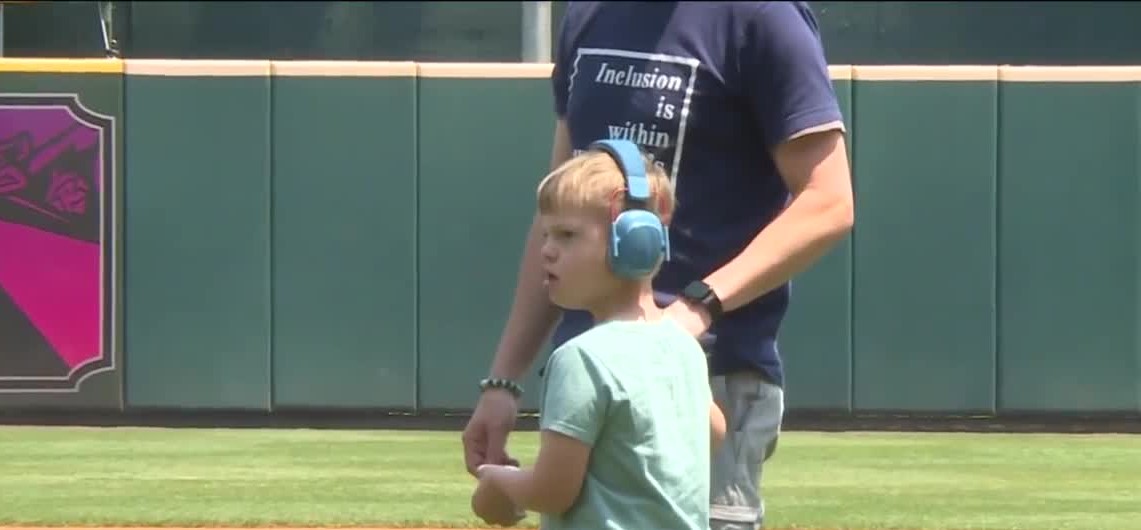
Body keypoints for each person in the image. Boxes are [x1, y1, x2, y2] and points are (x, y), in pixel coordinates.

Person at [463, 2, 854, 529]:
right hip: (586, 369)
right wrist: (504, 380)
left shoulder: (761, 16)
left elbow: (828, 203)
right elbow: (558, 214)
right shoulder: (588, 15)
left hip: (710, 364)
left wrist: (697, 308)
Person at [470, 139, 726, 530]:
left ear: (635, 242)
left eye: (566, 235)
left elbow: (553, 492)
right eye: (545, 236)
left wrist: (497, 482)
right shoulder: (683, 347)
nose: (547, 251)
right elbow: (715, 429)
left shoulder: (581, 360)